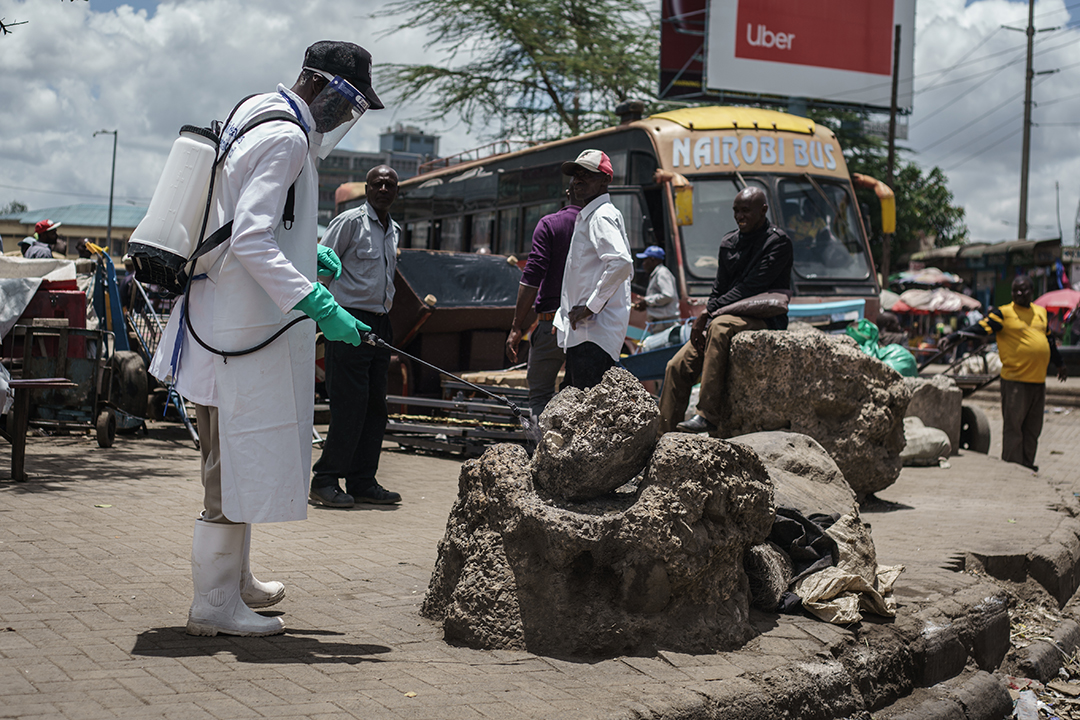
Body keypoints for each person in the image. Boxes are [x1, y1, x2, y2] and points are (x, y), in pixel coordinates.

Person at [148, 41, 384, 637]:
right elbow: (252, 238)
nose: (342, 115)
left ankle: (238, 579)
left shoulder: (258, 110)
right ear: (316, 83)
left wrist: (310, 252)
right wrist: (316, 300)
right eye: (345, 100)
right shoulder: (287, 137)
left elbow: (251, 222)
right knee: (227, 471)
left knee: (240, 460)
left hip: (228, 324)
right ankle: (213, 605)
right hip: (236, 335)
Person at [660, 186, 793, 435]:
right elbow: (719, 288)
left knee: (720, 327)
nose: (740, 216)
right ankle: (664, 435)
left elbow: (751, 287)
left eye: (746, 211)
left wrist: (708, 314)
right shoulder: (729, 242)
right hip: (724, 312)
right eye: (736, 211)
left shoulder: (778, 243)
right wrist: (709, 313)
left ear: (763, 210)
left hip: (762, 316)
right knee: (676, 366)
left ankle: (707, 415)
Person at [309, 165, 403, 509]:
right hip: (349, 323)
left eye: (389, 184)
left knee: (376, 408)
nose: (383, 188)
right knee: (349, 405)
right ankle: (325, 479)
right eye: (377, 183)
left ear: (396, 191)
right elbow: (319, 266)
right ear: (366, 188)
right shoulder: (349, 223)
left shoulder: (394, 230)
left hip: (380, 323)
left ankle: (363, 480)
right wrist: (327, 317)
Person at [945, 274, 1068, 471]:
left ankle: (1027, 466)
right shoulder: (1004, 313)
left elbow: (1049, 340)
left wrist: (1060, 364)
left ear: (1032, 291)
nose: (1019, 293)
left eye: (1024, 289)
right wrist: (954, 336)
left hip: (1038, 381)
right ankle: (1012, 469)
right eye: (1015, 290)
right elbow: (980, 328)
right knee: (1014, 428)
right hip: (1015, 381)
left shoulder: (1040, 313)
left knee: (1033, 428)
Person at [553, 149, 633, 391]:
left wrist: (590, 307)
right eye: (576, 175)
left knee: (586, 416)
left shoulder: (600, 216)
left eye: (587, 175)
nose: (578, 180)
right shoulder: (592, 215)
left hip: (593, 335)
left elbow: (621, 263)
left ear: (605, 180)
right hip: (587, 335)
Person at [506, 189, 580, 418]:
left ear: (567, 193)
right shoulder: (602, 224)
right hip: (588, 326)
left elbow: (532, 276)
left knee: (540, 396)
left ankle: (541, 450)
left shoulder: (550, 224)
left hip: (550, 325)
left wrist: (517, 326)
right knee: (583, 396)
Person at [632, 245, 680, 332]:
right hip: (661, 324)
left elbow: (668, 295)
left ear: (653, 260)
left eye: (645, 260)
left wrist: (647, 301)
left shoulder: (662, 273)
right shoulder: (656, 274)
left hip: (665, 324)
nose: (643, 264)